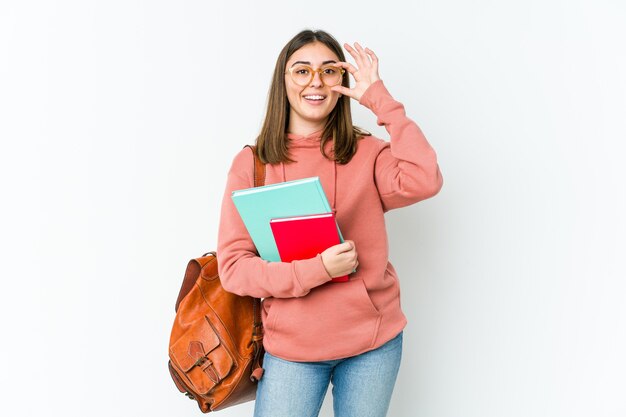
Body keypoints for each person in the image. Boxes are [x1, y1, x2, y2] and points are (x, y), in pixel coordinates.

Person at [216, 29, 443, 417]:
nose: (316, 82)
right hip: (292, 350)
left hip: (373, 344)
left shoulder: (368, 153)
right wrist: (318, 269)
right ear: (283, 82)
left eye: (329, 71)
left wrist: (380, 100)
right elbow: (234, 270)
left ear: (342, 82)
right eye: (302, 71)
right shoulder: (253, 164)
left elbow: (425, 179)